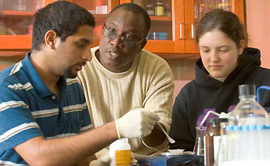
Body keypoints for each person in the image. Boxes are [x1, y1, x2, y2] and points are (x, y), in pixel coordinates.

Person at [0, 1, 160, 165]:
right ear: (51, 39)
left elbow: (83, 154)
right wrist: (117, 128)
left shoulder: (73, 86)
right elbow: (40, 158)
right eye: (81, 45)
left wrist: (98, 161)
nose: (88, 56)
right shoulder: (7, 88)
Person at [77, 3, 174, 162]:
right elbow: (70, 135)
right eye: (111, 31)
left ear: (141, 45)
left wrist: (147, 123)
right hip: (93, 161)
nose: (115, 42)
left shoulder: (156, 68)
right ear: (102, 31)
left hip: (143, 161)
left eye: (128, 37)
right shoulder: (79, 66)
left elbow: (159, 142)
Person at [169, 9, 270, 151]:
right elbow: (179, 149)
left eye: (222, 50)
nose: (214, 58)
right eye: (205, 50)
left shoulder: (266, 83)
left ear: (240, 46)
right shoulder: (188, 95)